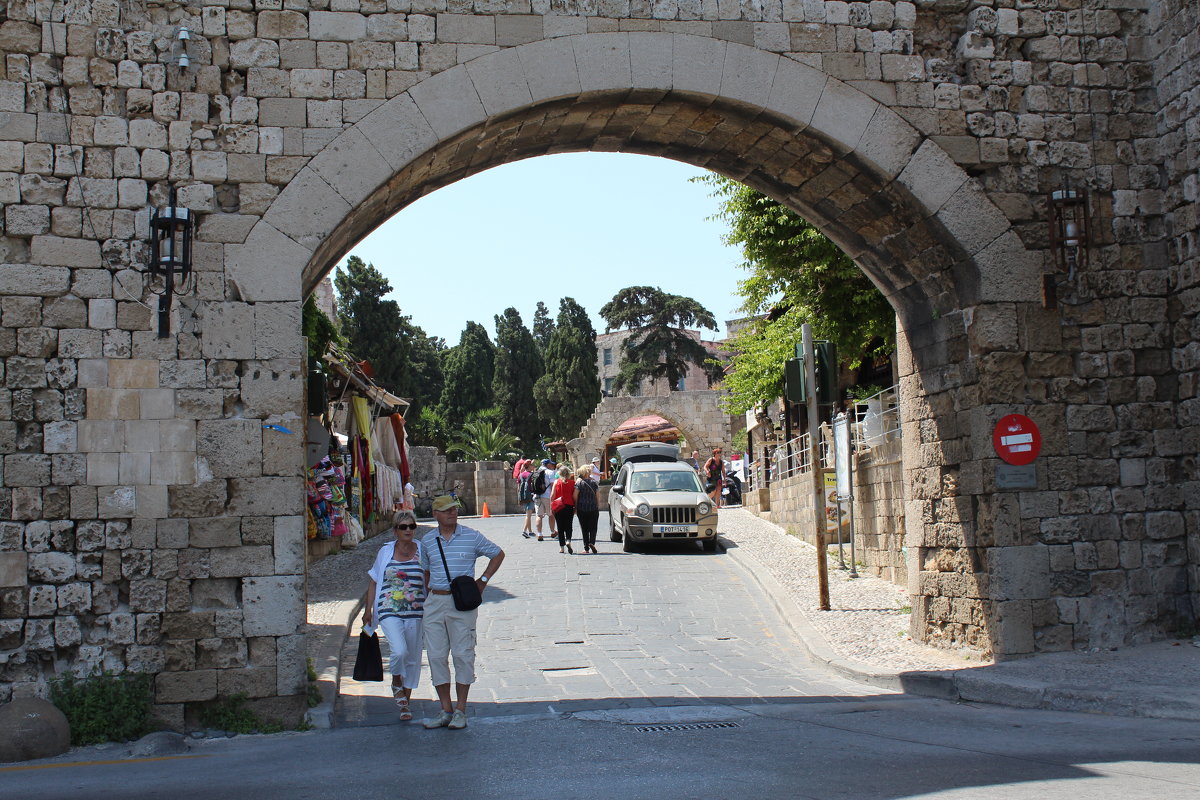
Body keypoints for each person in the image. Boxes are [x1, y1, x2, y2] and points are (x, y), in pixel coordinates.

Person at [419, 495, 505, 730]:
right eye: (446, 510)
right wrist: (427, 597)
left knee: (462, 655)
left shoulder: (471, 536)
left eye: (454, 509)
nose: (452, 513)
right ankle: (445, 709)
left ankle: (461, 710)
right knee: (436, 656)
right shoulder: (427, 541)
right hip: (435, 601)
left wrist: (483, 581)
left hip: (461, 604)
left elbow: (497, 553)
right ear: (435, 514)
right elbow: (426, 571)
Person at [362, 509, 426, 721]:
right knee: (399, 651)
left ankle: (405, 704)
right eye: (403, 527)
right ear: (395, 530)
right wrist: (368, 610)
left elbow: (430, 580)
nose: (408, 530)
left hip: (416, 612)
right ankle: (396, 680)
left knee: (412, 658)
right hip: (389, 609)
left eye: (412, 526)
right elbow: (373, 580)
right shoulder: (386, 552)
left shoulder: (422, 551)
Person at [573, 464, 600, 554]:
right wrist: (597, 505)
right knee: (593, 527)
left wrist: (576, 507)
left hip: (582, 508)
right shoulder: (594, 483)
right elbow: (597, 496)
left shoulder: (579, 483)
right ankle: (592, 543)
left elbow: (575, 496)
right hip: (593, 507)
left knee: (584, 528)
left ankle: (586, 548)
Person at [550, 464, 576, 554]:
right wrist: (575, 507)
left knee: (560, 527)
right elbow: (574, 496)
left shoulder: (556, 482)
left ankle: (562, 547)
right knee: (569, 525)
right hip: (569, 506)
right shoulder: (572, 483)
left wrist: (551, 506)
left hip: (558, 506)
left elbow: (552, 495)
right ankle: (568, 540)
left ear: (559, 473)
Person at [534, 458, 557, 541]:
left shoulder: (536, 472)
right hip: (547, 496)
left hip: (537, 496)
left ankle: (539, 534)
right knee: (551, 514)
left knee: (539, 515)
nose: (552, 465)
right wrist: (554, 496)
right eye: (551, 464)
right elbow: (552, 485)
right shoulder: (550, 472)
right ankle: (552, 532)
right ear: (547, 465)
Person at [517, 460, 536, 537]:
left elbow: (518, 487)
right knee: (528, 515)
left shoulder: (520, 475)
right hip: (530, 495)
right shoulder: (532, 475)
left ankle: (530, 531)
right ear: (529, 466)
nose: (533, 466)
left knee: (528, 514)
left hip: (523, 496)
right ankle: (524, 531)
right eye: (532, 465)